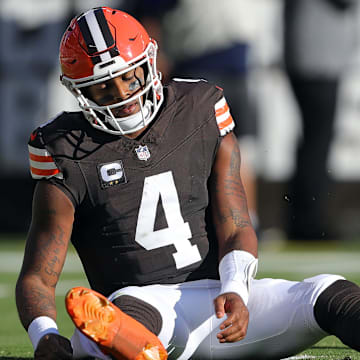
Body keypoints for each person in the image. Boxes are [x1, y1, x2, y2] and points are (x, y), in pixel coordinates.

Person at [15, 7, 360, 360]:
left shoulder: (199, 108)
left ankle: (108, 349)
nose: (122, 97)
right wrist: (45, 335)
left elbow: (236, 224)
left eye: (129, 78)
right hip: (145, 306)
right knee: (122, 316)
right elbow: (39, 276)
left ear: (150, 62)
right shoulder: (65, 150)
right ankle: (119, 346)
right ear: (79, 92)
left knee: (328, 291)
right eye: (102, 89)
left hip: (226, 300)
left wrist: (237, 288)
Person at [283, 0, 358, 240]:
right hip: (317, 61)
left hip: (311, 58)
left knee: (313, 141)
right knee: (317, 143)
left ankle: (304, 219)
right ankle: (308, 223)